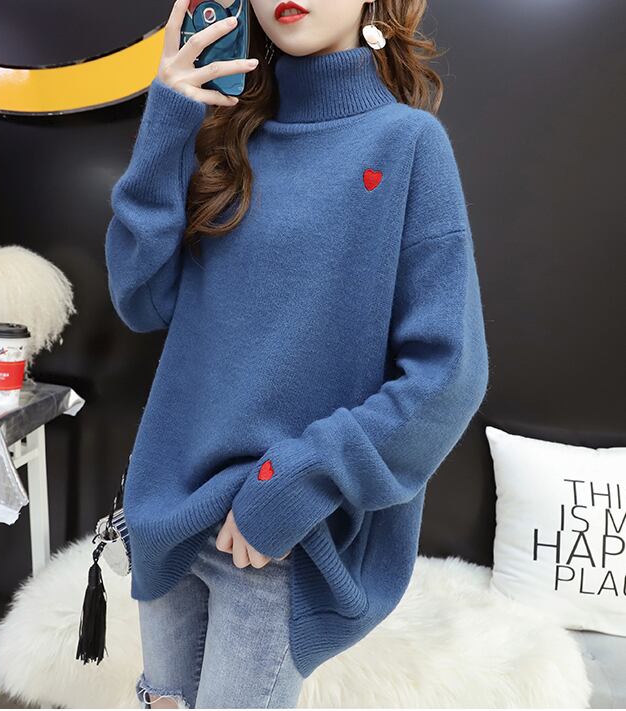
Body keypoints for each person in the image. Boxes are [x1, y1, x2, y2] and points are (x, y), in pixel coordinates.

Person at [104, 0, 490, 707]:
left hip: (276, 543)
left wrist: (295, 481)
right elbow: (140, 299)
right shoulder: (224, 140)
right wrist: (168, 120)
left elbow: (448, 377)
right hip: (168, 516)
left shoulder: (408, 145)